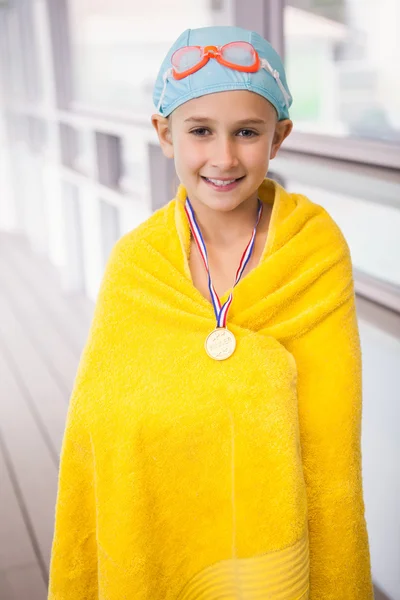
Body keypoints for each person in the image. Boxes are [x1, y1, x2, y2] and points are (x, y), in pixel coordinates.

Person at [47, 26, 374, 600]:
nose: (223, 157)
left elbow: (331, 440)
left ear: (279, 138)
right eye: (200, 131)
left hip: (271, 555)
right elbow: (99, 427)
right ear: (164, 134)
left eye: (247, 132)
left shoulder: (314, 250)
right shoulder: (137, 263)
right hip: (168, 542)